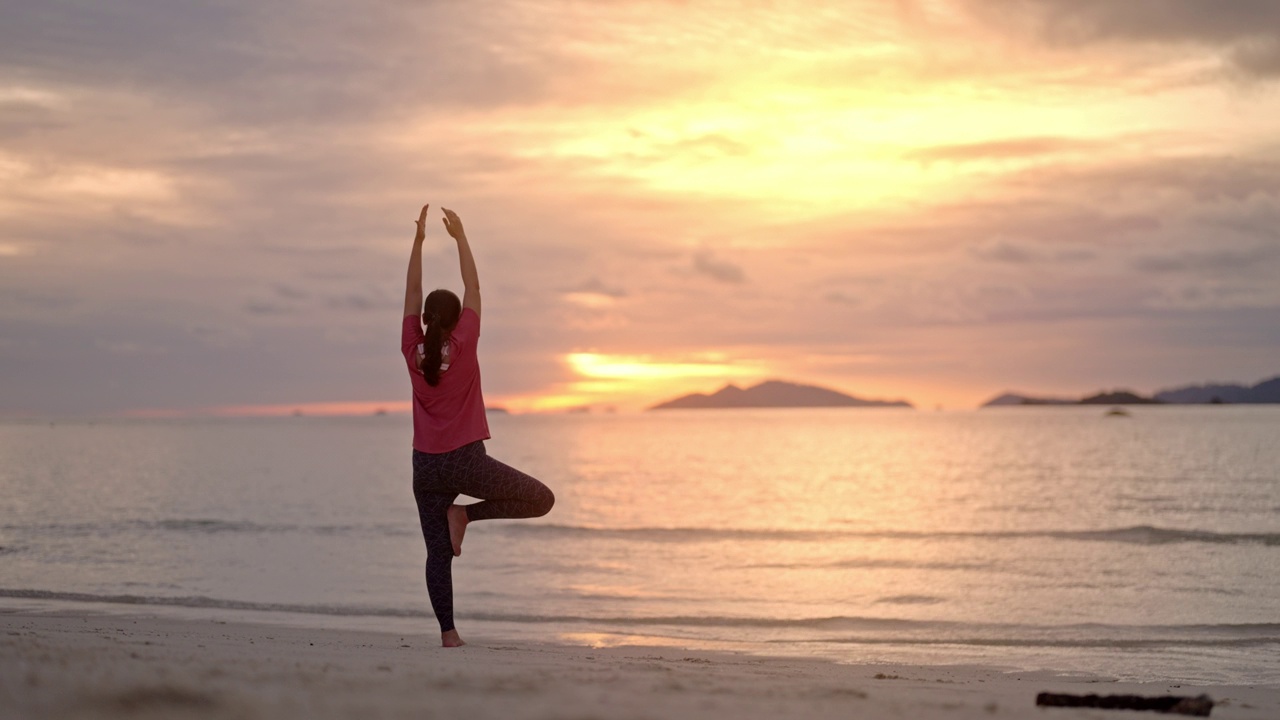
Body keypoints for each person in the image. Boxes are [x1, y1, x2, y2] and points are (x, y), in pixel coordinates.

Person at [401, 204, 555, 648]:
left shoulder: (411, 349)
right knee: (540, 498)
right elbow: (475, 286)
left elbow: (412, 289)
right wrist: (461, 237)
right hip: (465, 460)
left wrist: (418, 241)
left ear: (427, 319)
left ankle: (448, 636)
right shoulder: (464, 343)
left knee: (436, 554)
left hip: (424, 468)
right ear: (454, 321)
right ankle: (465, 513)